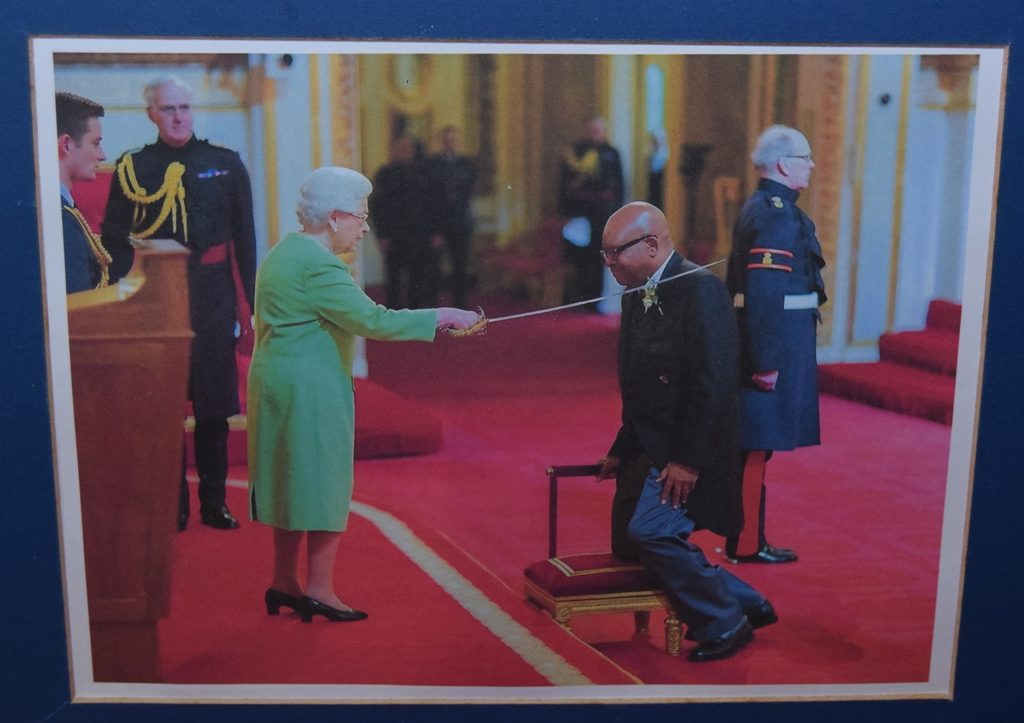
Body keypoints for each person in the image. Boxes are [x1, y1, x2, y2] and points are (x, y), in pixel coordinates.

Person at [249, 166, 482, 622]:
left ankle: (284, 581)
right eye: (360, 216)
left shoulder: (286, 251)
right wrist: (443, 315)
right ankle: (320, 590)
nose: (365, 228)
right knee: (323, 483)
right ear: (334, 217)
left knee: (292, 482)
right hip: (309, 388)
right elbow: (374, 320)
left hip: (277, 381)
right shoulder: (319, 265)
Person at [596, 201, 777, 662]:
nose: (609, 263)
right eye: (605, 254)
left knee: (651, 534)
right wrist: (621, 447)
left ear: (651, 245)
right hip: (650, 444)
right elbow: (638, 386)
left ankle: (724, 622)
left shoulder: (701, 291)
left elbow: (714, 387)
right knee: (627, 543)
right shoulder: (636, 294)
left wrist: (688, 462)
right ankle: (745, 599)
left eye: (615, 252)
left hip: (694, 449)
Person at [101, 75, 257, 531]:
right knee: (164, 404)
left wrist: (248, 308)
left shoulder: (224, 163)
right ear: (152, 114)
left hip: (212, 297)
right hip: (158, 296)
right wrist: (127, 301)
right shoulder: (133, 168)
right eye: (168, 109)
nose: (178, 117)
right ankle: (174, 505)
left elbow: (245, 242)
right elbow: (114, 239)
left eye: (184, 107)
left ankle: (214, 503)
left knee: (213, 405)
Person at [724, 125, 827, 564]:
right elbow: (766, 293)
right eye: (805, 157)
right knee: (756, 444)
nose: (812, 165)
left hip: (777, 338)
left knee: (757, 445)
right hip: (775, 344)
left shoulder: (768, 207)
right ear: (784, 164)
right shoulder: (776, 214)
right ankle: (747, 544)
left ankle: (748, 539)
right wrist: (765, 361)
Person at [558, 117, 623, 306]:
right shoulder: (576, 151)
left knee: (599, 256)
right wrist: (565, 212)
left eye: (599, 129)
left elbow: (620, 185)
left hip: (602, 213)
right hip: (580, 211)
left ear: (604, 132)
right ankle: (578, 299)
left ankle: (595, 300)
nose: (595, 133)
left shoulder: (612, 152)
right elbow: (564, 183)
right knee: (578, 257)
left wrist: (618, 214)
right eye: (592, 129)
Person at [56, 92, 116, 293]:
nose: (103, 155)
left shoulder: (64, 209)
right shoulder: (61, 221)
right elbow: (77, 305)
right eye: (95, 143)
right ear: (66, 145)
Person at [370, 135, 437, 309]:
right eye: (400, 147)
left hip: (419, 234)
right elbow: (378, 206)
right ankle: (394, 313)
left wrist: (434, 232)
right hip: (394, 235)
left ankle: (415, 312)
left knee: (417, 277)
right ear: (393, 150)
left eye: (408, 148)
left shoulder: (424, 173)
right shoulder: (384, 174)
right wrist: (382, 235)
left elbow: (432, 205)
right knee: (393, 277)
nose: (404, 151)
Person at [426, 125, 476, 307]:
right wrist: (434, 229)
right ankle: (433, 309)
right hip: (438, 225)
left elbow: (468, 192)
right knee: (434, 269)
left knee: (460, 268)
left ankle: (460, 308)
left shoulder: (467, 163)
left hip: (461, 223)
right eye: (447, 140)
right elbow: (430, 197)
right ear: (443, 142)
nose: (451, 143)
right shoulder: (432, 164)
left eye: (454, 140)